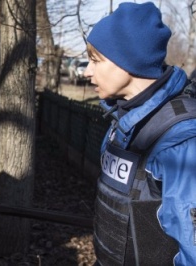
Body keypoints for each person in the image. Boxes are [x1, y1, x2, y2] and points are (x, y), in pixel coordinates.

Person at [84, 2, 196, 265]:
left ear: (128, 60)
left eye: (95, 60)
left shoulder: (180, 141)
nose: (87, 71)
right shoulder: (122, 121)